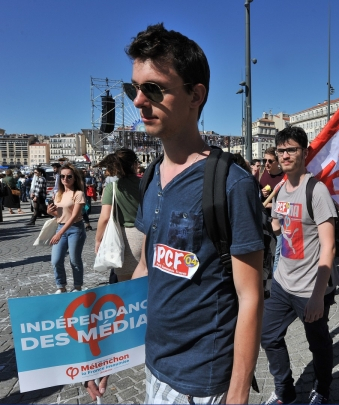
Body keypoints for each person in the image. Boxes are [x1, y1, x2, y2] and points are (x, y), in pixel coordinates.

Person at [85, 23, 264, 404]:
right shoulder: (150, 176)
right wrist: (107, 353)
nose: (137, 101)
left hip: (204, 381)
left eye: (154, 89)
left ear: (195, 95)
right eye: (135, 88)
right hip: (155, 366)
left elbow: (250, 297)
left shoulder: (232, 184)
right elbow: (147, 269)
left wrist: (237, 394)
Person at [262, 126, 338, 404]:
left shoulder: (316, 191)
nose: (285, 155)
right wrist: (269, 219)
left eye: (291, 149)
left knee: (318, 344)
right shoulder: (281, 189)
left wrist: (318, 296)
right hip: (283, 281)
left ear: (304, 152)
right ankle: (285, 390)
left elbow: (328, 246)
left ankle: (322, 389)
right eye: (281, 150)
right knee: (268, 336)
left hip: (310, 288)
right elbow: (280, 228)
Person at [95, 149, 143, 282]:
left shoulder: (113, 187)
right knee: (146, 285)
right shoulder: (145, 184)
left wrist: (98, 240)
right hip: (146, 236)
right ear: (135, 164)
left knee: (125, 285)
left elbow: (104, 218)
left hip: (124, 239)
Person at [46, 163, 87, 293]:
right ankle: (61, 287)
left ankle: (77, 287)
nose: (65, 179)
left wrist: (59, 234)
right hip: (61, 228)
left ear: (74, 178)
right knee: (56, 260)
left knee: (74, 260)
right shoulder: (58, 194)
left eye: (69, 176)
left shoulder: (78, 194)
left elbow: (74, 216)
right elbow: (60, 215)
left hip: (76, 229)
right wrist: (50, 212)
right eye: (62, 176)